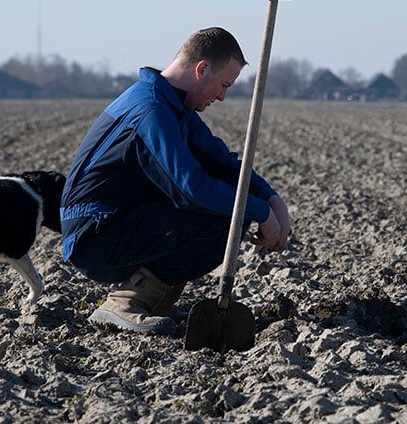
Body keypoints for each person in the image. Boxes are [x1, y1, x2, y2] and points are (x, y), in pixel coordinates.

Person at [59, 27, 292, 335]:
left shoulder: (173, 108)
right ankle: (126, 301)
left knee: (229, 209)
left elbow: (221, 163)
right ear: (202, 69)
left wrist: (272, 199)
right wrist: (259, 211)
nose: (222, 96)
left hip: (119, 222)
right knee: (226, 216)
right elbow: (191, 190)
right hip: (94, 235)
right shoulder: (150, 111)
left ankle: (154, 300)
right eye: (223, 85)